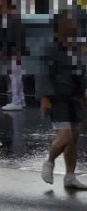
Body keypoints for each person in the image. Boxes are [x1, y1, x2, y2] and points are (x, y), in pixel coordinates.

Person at [39, 12, 87, 189]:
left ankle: (70, 176)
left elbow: (79, 72)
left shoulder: (73, 49)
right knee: (65, 137)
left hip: (73, 99)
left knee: (74, 139)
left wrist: (82, 93)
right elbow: (42, 73)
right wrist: (44, 98)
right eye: (68, 22)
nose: (72, 25)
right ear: (59, 28)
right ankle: (49, 162)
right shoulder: (50, 49)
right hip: (57, 100)